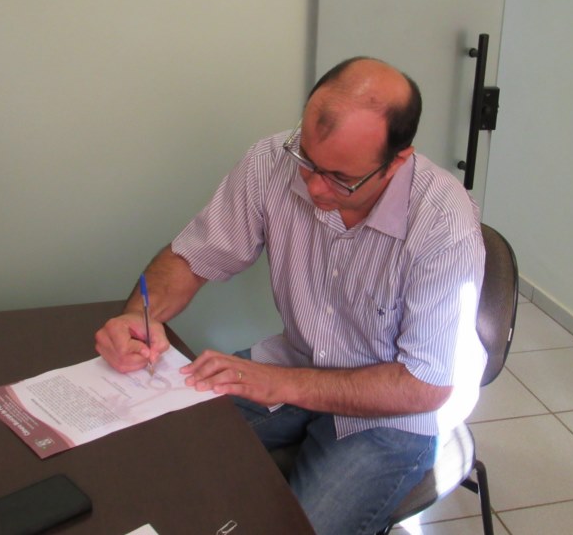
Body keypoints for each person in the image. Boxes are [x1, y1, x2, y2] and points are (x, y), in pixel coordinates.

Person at [95, 57, 487, 534]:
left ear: (396, 162)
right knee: (146, 450)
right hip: (297, 361)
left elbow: (425, 384)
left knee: (294, 527)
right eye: (307, 160)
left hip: (395, 414)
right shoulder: (272, 160)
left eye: (340, 178)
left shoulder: (443, 224)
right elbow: (193, 256)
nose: (314, 186)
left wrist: (281, 384)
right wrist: (139, 315)